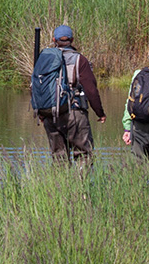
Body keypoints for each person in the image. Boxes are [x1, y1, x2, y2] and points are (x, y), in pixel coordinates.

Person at [39, 25, 106, 164]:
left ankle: (61, 185)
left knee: (59, 157)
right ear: (72, 40)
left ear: (54, 40)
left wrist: (41, 113)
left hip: (50, 114)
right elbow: (91, 90)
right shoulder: (79, 60)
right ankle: (81, 185)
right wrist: (100, 113)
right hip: (75, 112)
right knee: (83, 155)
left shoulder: (44, 60)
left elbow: (37, 87)